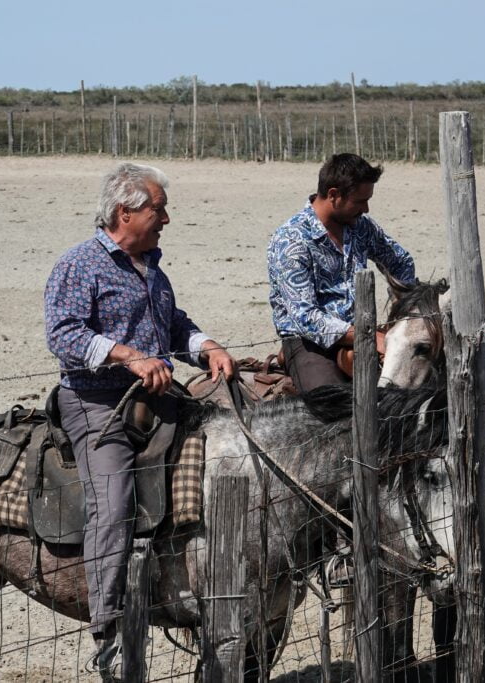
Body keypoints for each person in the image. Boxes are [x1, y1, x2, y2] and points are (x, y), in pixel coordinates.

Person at [44, 162, 235, 673]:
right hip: (97, 404)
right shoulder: (79, 265)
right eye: (159, 208)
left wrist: (206, 346)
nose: (167, 218)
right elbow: (62, 334)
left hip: (157, 396)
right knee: (114, 500)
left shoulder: (151, 267)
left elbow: (173, 325)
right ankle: (107, 627)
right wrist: (128, 356)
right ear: (124, 212)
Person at [267, 153, 416, 393]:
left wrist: (401, 312)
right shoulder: (291, 240)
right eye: (359, 201)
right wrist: (370, 336)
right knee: (335, 409)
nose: (366, 209)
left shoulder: (361, 227)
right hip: (310, 344)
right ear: (334, 195)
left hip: (363, 333)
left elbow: (400, 262)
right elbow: (306, 318)